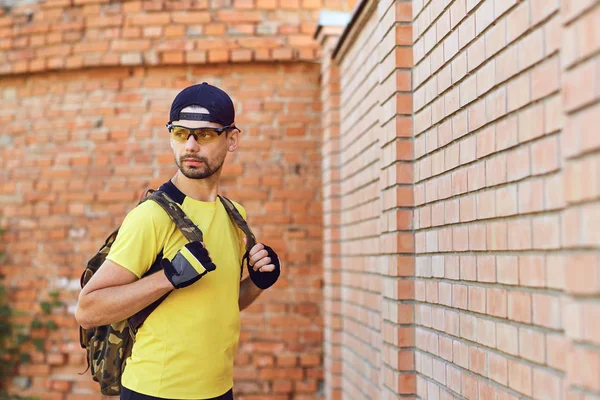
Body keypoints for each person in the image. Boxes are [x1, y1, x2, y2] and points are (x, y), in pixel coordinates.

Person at [75, 82, 281, 400]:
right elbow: (88, 309)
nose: (191, 146)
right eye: (181, 133)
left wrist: (257, 283)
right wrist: (167, 278)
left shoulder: (234, 214)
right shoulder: (152, 217)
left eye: (206, 134)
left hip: (218, 390)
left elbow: (222, 304)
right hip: (156, 391)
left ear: (232, 139)